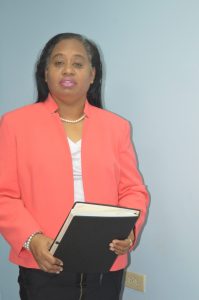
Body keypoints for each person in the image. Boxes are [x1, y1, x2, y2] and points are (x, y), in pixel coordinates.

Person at [0, 33, 149, 300]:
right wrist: (32, 238)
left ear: (92, 75)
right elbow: (4, 194)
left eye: (78, 64)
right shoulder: (15, 124)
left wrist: (130, 229)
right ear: (45, 73)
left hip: (106, 265)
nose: (68, 69)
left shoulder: (116, 127)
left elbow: (133, 189)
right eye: (58, 62)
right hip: (44, 265)